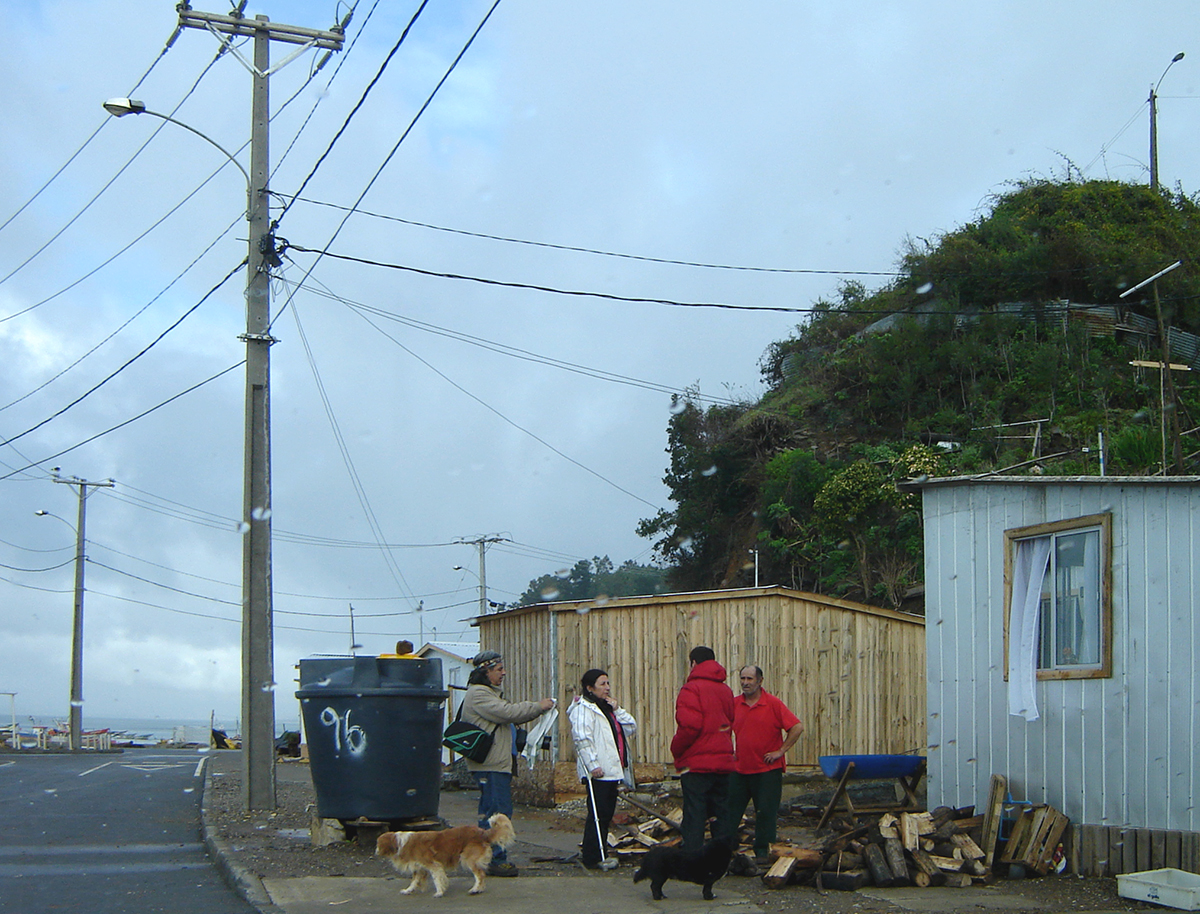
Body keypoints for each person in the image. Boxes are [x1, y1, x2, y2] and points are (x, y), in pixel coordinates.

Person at [460, 650, 556, 877]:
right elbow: (508, 713)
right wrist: (538, 706)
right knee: (498, 813)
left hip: (495, 764)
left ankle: (485, 857)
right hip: (491, 765)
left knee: (490, 813)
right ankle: (495, 859)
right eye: (499, 669)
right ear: (486, 671)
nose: (504, 673)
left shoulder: (487, 693)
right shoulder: (479, 694)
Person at [726, 665, 803, 864]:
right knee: (730, 813)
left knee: (766, 814)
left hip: (768, 771)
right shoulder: (734, 704)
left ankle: (763, 855)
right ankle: (724, 852)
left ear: (760, 681)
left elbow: (796, 727)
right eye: (742, 678)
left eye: (750, 679)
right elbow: (722, 728)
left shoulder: (773, 704)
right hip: (740, 769)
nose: (745, 682)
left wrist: (781, 751)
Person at [567, 668, 638, 869]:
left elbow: (630, 727)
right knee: (597, 814)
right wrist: (593, 765)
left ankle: (600, 853)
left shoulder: (606, 708)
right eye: (602, 684)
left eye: (608, 683)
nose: (607, 688)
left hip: (612, 769)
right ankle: (593, 856)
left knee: (606, 814)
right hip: (598, 771)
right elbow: (582, 739)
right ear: (590, 688)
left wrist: (618, 709)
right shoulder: (583, 709)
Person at [669, 645, 736, 852]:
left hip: (696, 764)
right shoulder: (725, 690)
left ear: (694, 663)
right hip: (723, 762)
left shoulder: (691, 689)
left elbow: (691, 726)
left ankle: (692, 858)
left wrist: (676, 749)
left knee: (695, 813)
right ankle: (723, 859)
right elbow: (730, 720)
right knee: (721, 813)